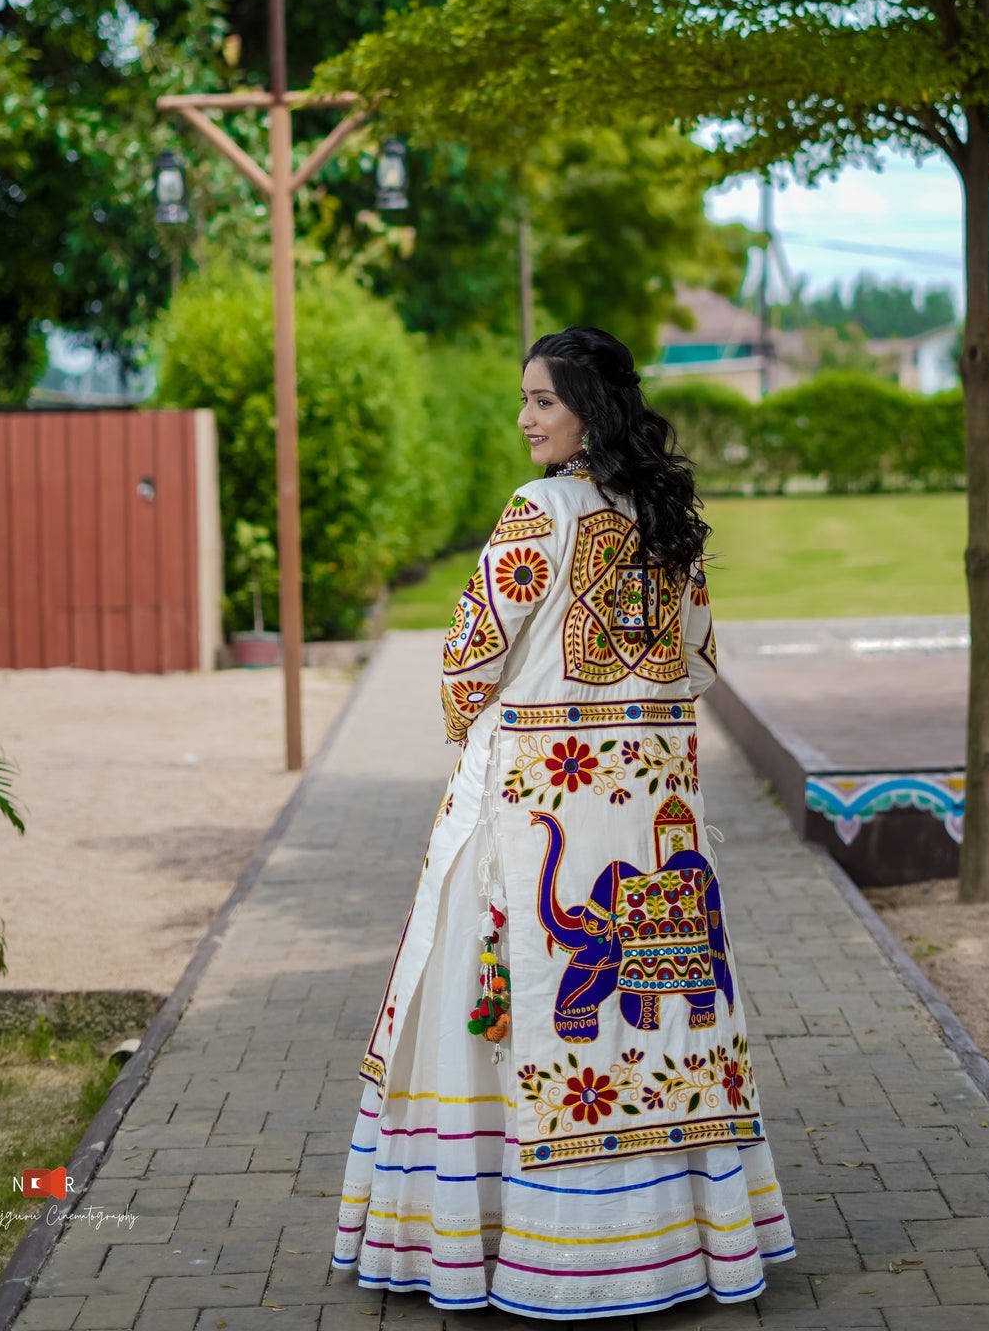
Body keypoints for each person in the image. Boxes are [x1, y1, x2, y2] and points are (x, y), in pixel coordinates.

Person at [332, 326, 794, 1316]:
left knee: (504, 1010)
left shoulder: (534, 511)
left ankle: (507, 1244)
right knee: (667, 1016)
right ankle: (673, 1247)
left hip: (535, 804)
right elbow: (704, 662)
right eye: (526, 398)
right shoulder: (668, 515)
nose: (524, 416)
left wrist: (482, 730)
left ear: (589, 403)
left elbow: (466, 659)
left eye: (542, 398)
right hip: (646, 815)